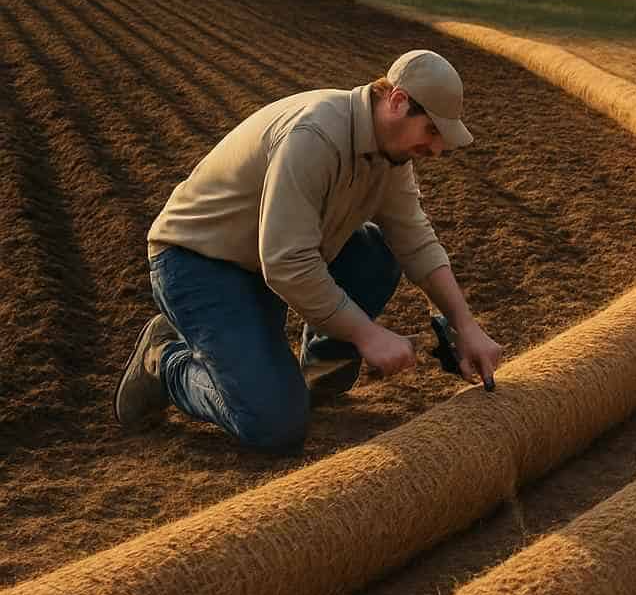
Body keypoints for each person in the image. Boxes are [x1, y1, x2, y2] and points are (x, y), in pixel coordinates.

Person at [114, 49, 503, 453]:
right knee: (273, 425)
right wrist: (366, 334)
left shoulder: (391, 155)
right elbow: (286, 263)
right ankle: (164, 360)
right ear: (399, 101)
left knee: (377, 251)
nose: (437, 149)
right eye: (432, 131)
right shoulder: (314, 136)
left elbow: (415, 238)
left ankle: (314, 376)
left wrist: (465, 326)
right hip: (200, 265)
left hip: (265, 261)